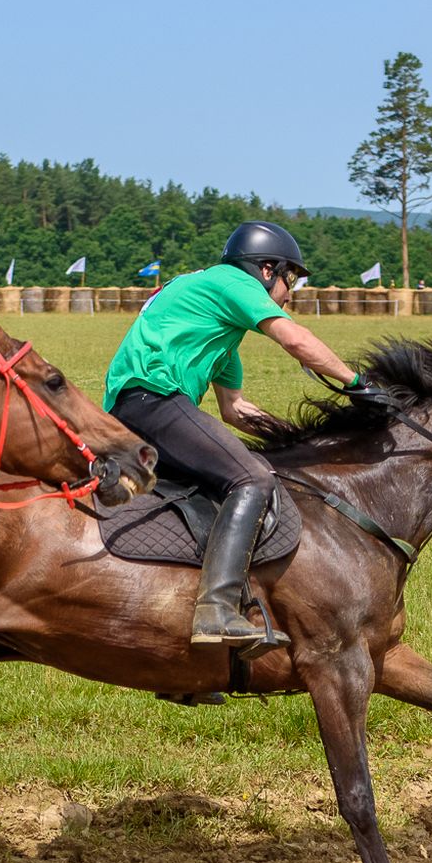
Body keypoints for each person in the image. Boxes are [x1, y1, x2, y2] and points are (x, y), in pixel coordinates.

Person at [101, 221, 363, 654]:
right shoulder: (232, 282)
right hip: (152, 399)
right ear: (266, 270)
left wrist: (298, 438)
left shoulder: (219, 327)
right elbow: (295, 340)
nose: (290, 293)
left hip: (138, 405)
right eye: (291, 279)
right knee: (252, 479)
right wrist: (357, 382)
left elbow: (235, 408)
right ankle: (217, 609)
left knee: (221, 481)